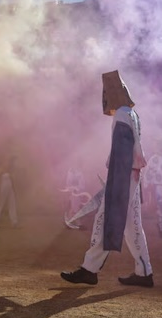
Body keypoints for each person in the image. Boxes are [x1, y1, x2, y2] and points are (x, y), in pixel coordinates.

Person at [61, 70, 153, 288]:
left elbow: (122, 150)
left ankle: (89, 270)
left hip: (122, 176)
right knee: (132, 226)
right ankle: (144, 272)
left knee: (104, 220)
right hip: (131, 176)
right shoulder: (132, 114)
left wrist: (116, 183)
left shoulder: (122, 114)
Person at [0, 155, 19, 228]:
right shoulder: (2, 168)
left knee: (12, 203)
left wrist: (14, 189)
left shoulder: (11, 169)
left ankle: (14, 222)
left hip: (9, 186)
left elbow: (12, 180)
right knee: (0, 204)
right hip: (4, 185)